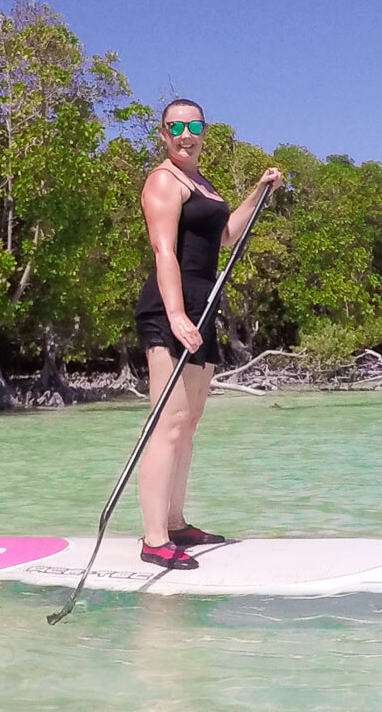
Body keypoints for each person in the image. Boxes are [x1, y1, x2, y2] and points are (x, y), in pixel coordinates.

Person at [134, 98, 282, 570]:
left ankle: (176, 524)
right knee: (167, 423)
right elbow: (164, 251)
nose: (184, 133)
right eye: (174, 126)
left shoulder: (202, 184)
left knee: (189, 423)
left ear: (204, 131)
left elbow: (225, 237)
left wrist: (259, 191)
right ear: (162, 134)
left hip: (204, 305)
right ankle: (154, 538)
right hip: (170, 307)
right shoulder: (163, 181)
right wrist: (176, 313)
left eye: (193, 125)